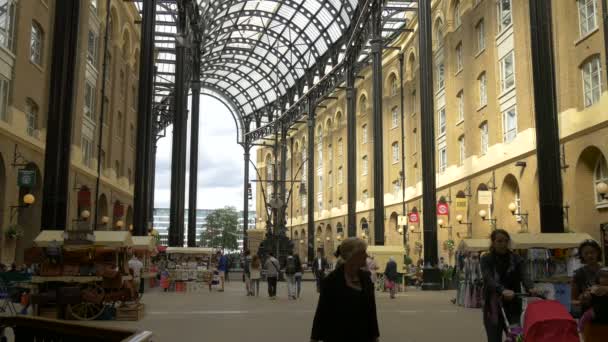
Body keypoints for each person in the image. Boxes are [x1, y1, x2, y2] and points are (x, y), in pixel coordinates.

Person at [311, 238, 380, 342]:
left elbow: (371, 311)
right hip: (337, 335)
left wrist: (375, 336)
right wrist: (314, 339)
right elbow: (322, 311)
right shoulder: (331, 281)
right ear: (351, 256)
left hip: (363, 336)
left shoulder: (366, 279)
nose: (366, 256)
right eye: (362, 253)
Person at [481, 229, 537, 342]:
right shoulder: (486, 259)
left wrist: (530, 287)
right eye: (499, 241)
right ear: (493, 242)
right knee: (494, 338)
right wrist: (502, 290)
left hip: (513, 306)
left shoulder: (516, 258)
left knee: (517, 338)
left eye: (506, 241)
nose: (503, 244)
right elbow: (488, 278)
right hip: (493, 307)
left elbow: (524, 274)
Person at [572, 240, 606, 315]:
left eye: (592, 252)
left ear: (598, 253)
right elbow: (574, 300)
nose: (589, 255)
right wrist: (582, 299)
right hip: (588, 316)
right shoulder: (579, 274)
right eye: (586, 253)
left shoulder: (606, 271)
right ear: (582, 256)